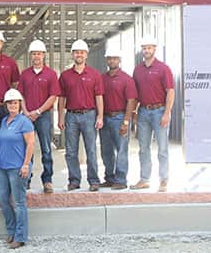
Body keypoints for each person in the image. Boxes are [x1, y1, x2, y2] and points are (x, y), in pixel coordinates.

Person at [58, 39, 104, 192]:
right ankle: (74, 180)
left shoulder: (94, 74)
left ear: (86, 55)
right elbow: (61, 98)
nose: (79, 54)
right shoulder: (65, 76)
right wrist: (60, 117)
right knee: (71, 151)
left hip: (89, 115)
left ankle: (93, 180)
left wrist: (100, 116)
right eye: (77, 52)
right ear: (73, 54)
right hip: (71, 116)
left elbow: (99, 97)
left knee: (91, 149)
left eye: (82, 52)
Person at [131, 35, 175, 192]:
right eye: (144, 48)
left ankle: (163, 179)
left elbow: (170, 91)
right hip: (143, 112)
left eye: (149, 48)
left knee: (162, 148)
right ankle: (144, 179)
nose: (146, 50)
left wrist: (167, 113)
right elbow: (135, 94)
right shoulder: (137, 70)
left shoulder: (163, 68)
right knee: (143, 148)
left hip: (160, 111)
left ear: (154, 49)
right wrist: (134, 112)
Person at [18, 39, 60, 193]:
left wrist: (38, 112)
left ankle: (47, 180)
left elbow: (53, 96)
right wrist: (26, 112)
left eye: (39, 53)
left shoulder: (50, 74)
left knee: (46, 149)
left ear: (43, 55)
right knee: (27, 148)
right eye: (34, 53)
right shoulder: (25, 74)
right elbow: (20, 94)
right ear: (31, 55)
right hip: (27, 116)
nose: (36, 56)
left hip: (43, 116)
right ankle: (27, 178)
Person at [0, 89, 35, 249]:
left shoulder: (25, 122)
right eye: (10, 103)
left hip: (18, 167)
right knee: (2, 198)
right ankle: (11, 230)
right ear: (6, 105)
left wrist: (26, 164)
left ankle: (20, 236)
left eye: (15, 102)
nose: (12, 105)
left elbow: (31, 144)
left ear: (20, 104)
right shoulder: (4, 121)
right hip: (3, 167)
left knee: (19, 202)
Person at [99, 48, 137, 190]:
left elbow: (131, 101)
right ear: (106, 60)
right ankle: (109, 178)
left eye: (115, 58)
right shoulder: (101, 78)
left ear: (119, 60)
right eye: (109, 58)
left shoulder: (127, 79)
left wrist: (126, 122)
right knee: (106, 150)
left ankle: (121, 180)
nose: (112, 60)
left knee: (121, 150)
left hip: (120, 118)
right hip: (105, 118)